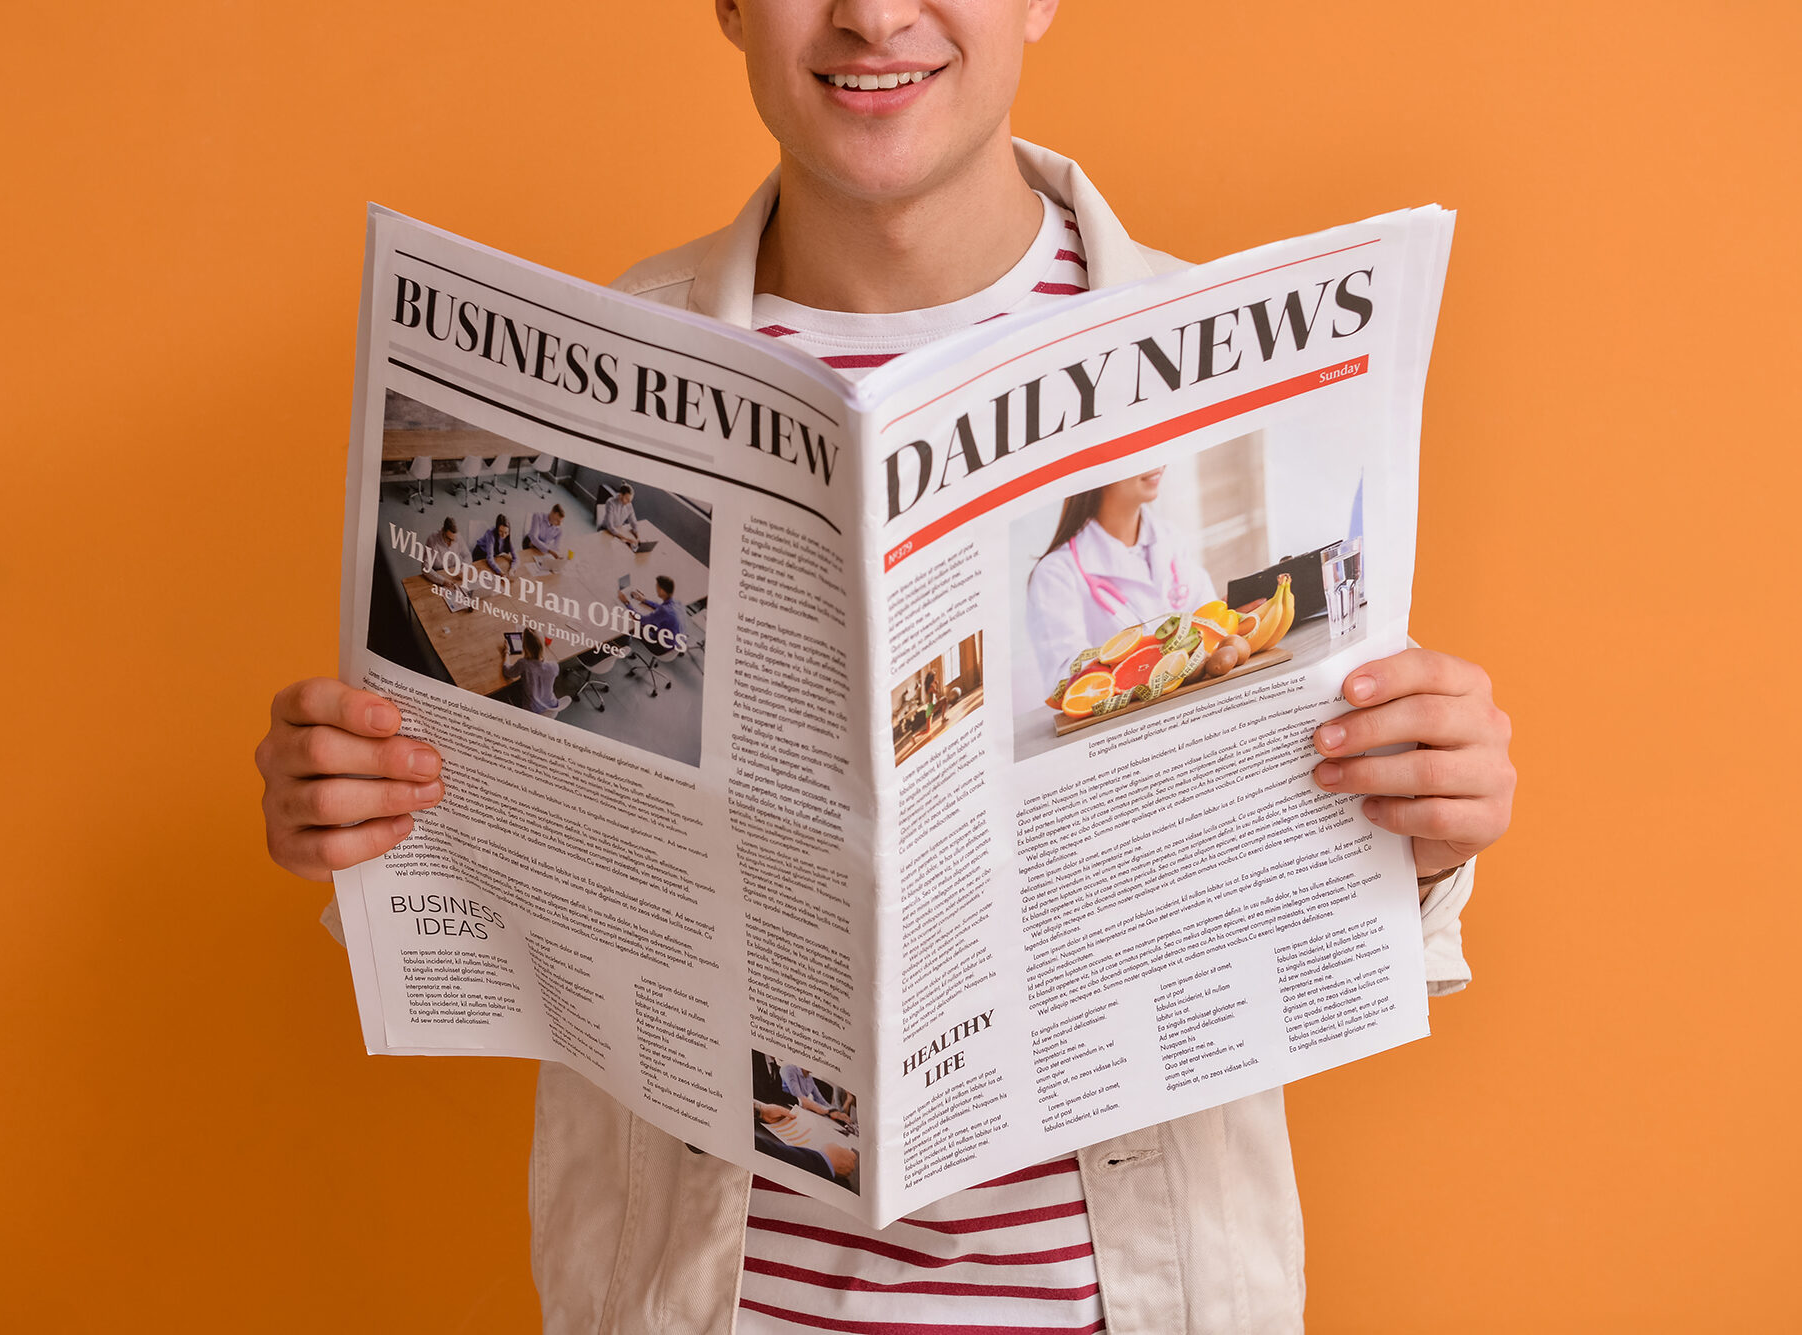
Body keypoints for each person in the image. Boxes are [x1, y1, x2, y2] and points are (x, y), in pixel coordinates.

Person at [253, 3, 1518, 1330]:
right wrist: (361, 818)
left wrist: (1421, 835)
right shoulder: (590, 370)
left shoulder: (1236, 349)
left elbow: (1274, 847)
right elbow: (506, 870)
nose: (872, 14)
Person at [1026, 466, 1219, 687]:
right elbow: (1067, 681)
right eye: (1137, 453)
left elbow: (1212, 626)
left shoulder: (1170, 538)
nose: (1157, 463)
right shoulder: (1056, 574)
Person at [501, 629, 569, 718]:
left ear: (524, 646)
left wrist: (506, 652)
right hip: (552, 708)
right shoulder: (554, 666)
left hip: (532, 711)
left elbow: (507, 672)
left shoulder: (523, 664)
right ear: (542, 645)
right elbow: (541, 668)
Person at [615, 574, 686, 655]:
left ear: (662, 591)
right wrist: (644, 600)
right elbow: (661, 607)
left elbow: (640, 619)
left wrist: (626, 602)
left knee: (633, 625)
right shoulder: (677, 603)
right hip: (678, 642)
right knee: (650, 623)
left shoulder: (665, 611)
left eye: (657, 588)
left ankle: (621, 643)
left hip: (662, 648)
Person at [419, 517, 462, 589]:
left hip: (452, 574)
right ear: (443, 531)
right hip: (437, 575)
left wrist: (463, 570)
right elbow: (425, 567)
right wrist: (442, 581)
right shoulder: (433, 540)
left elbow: (467, 556)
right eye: (448, 539)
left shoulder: (457, 537)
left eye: (453, 540)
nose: (450, 544)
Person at [467, 514, 513, 578]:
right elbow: (490, 558)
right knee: (485, 577)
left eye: (506, 532)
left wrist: (512, 569)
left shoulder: (507, 535)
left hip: (492, 555)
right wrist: (501, 573)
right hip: (480, 554)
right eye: (501, 531)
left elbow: (515, 557)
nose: (503, 535)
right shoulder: (490, 534)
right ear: (497, 529)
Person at [601, 483, 641, 549]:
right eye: (627, 499)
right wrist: (626, 538)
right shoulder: (610, 502)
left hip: (618, 530)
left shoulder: (629, 504)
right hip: (606, 530)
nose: (629, 502)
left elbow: (633, 522)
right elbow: (610, 526)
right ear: (620, 495)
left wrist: (638, 537)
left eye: (630, 500)